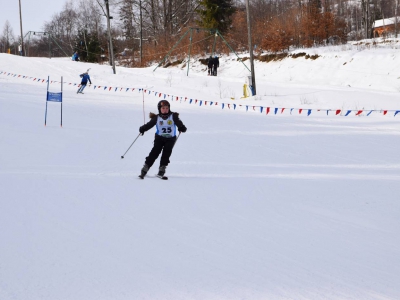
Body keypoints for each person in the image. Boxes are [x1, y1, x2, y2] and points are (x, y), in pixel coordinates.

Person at [138, 100, 187, 179]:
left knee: (166, 154)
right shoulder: (156, 118)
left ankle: (162, 170)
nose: (165, 110)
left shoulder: (173, 116)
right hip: (159, 138)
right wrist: (143, 129)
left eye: (167, 108)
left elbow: (178, 123)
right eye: (163, 108)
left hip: (170, 139)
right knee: (155, 152)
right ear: (159, 109)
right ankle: (145, 168)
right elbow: (149, 125)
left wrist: (181, 127)